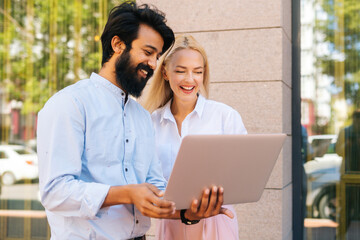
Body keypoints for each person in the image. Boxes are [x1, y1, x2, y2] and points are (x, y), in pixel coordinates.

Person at [37, 3, 230, 239]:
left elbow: (154, 187)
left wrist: (188, 212)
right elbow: (54, 192)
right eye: (148, 52)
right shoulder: (70, 104)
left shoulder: (141, 117)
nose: (153, 64)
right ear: (118, 45)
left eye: (157, 56)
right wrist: (127, 193)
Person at [142, 35, 247, 240]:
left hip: (217, 222)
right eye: (181, 71)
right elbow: (146, 181)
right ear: (165, 72)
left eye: (197, 72)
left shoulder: (225, 116)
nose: (189, 79)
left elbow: (243, 172)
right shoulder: (151, 123)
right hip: (171, 223)